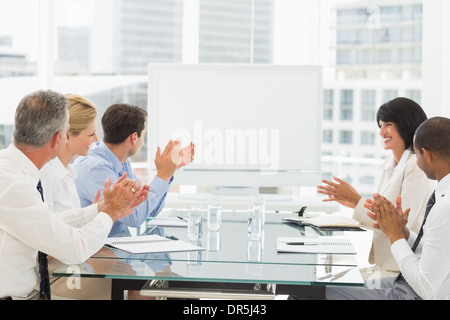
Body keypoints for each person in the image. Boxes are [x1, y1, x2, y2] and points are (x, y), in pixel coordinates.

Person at [0, 90, 149, 300]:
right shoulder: (12, 184)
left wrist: (101, 208)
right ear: (57, 139)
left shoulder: (13, 171)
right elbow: (73, 248)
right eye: (67, 131)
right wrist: (111, 212)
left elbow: (49, 222)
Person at [327, 116, 450, 300]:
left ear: (427, 154)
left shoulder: (445, 207)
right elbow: (433, 251)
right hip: (405, 283)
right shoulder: (442, 195)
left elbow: (425, 288)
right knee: (320, 288)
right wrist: (404, 233)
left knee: (315, 293)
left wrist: (394, 235)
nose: (416, 161)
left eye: (417, 154)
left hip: (413, 293)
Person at [317, 98, 434, 278]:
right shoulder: (389, 164)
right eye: (380, 125)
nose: (381, 132)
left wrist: (356, 199)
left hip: (400, 270)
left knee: (325, 288)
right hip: (383, 265)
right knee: (326, 281)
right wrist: (352, 202)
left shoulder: (416, 166)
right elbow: (383, 213)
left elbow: (399, 222)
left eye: (388, 124)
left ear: (406, 124)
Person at [73, 103, 195, 237]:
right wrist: (163, 175)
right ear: (134, 137)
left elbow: (149, 210)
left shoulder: (121, 161)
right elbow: (135, 218)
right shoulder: (95, 168)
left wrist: (168, 172)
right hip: (97, 252)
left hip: (115, 246)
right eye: (143, 136)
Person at [40, 94, 98, 213]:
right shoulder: (47, 174)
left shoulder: (68, 172)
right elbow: (47, 228)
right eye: (91, 134)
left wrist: (93, 213)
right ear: (67, 134)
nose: (96, 140)